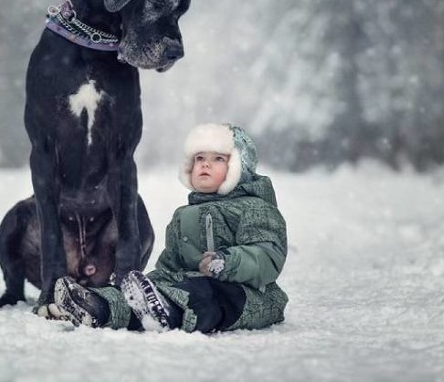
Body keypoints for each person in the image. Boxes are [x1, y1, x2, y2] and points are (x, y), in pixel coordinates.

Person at [50, 123, 289, 333]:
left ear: (238, 168)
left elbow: (267, 255)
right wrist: (152, 283)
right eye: (199, 158)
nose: (205, 164)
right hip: (189, 287)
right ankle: (98, 306)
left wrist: (227, 262)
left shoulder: (255, 208)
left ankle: (165, 311)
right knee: (157, 290)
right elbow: (170, 266)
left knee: (205, 294)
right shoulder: (183, 216)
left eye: (218, 158)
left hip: (247, 296)